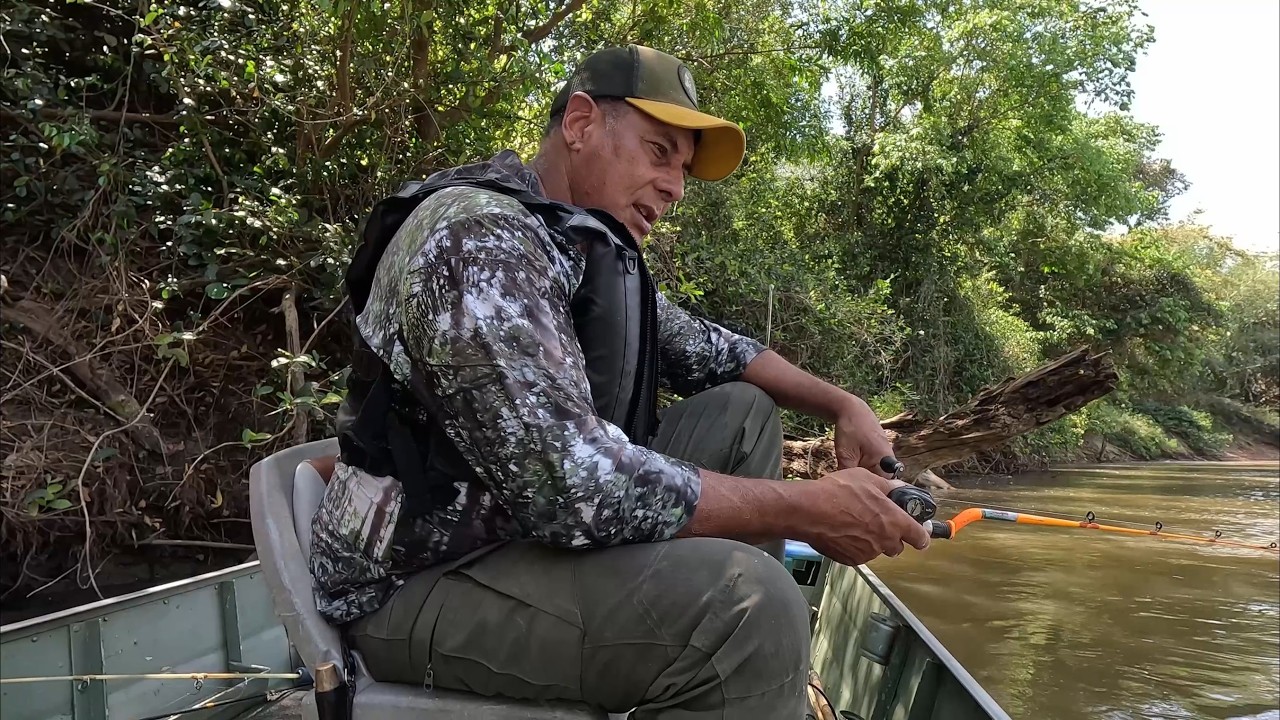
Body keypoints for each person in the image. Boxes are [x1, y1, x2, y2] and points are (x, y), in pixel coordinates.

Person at [307, 44, 930, 719]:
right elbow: (570, 485)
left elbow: (717, 349)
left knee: (742, 411)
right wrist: (808, 506)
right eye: (659, 152)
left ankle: (719, 684)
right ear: (579, 124)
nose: (676, 187)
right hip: (416, 583)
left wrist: (843, 404)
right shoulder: (481, 239)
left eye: (683, 169)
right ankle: (733, 659)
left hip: (515, 531)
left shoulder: (571, 242)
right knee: (752, 607)